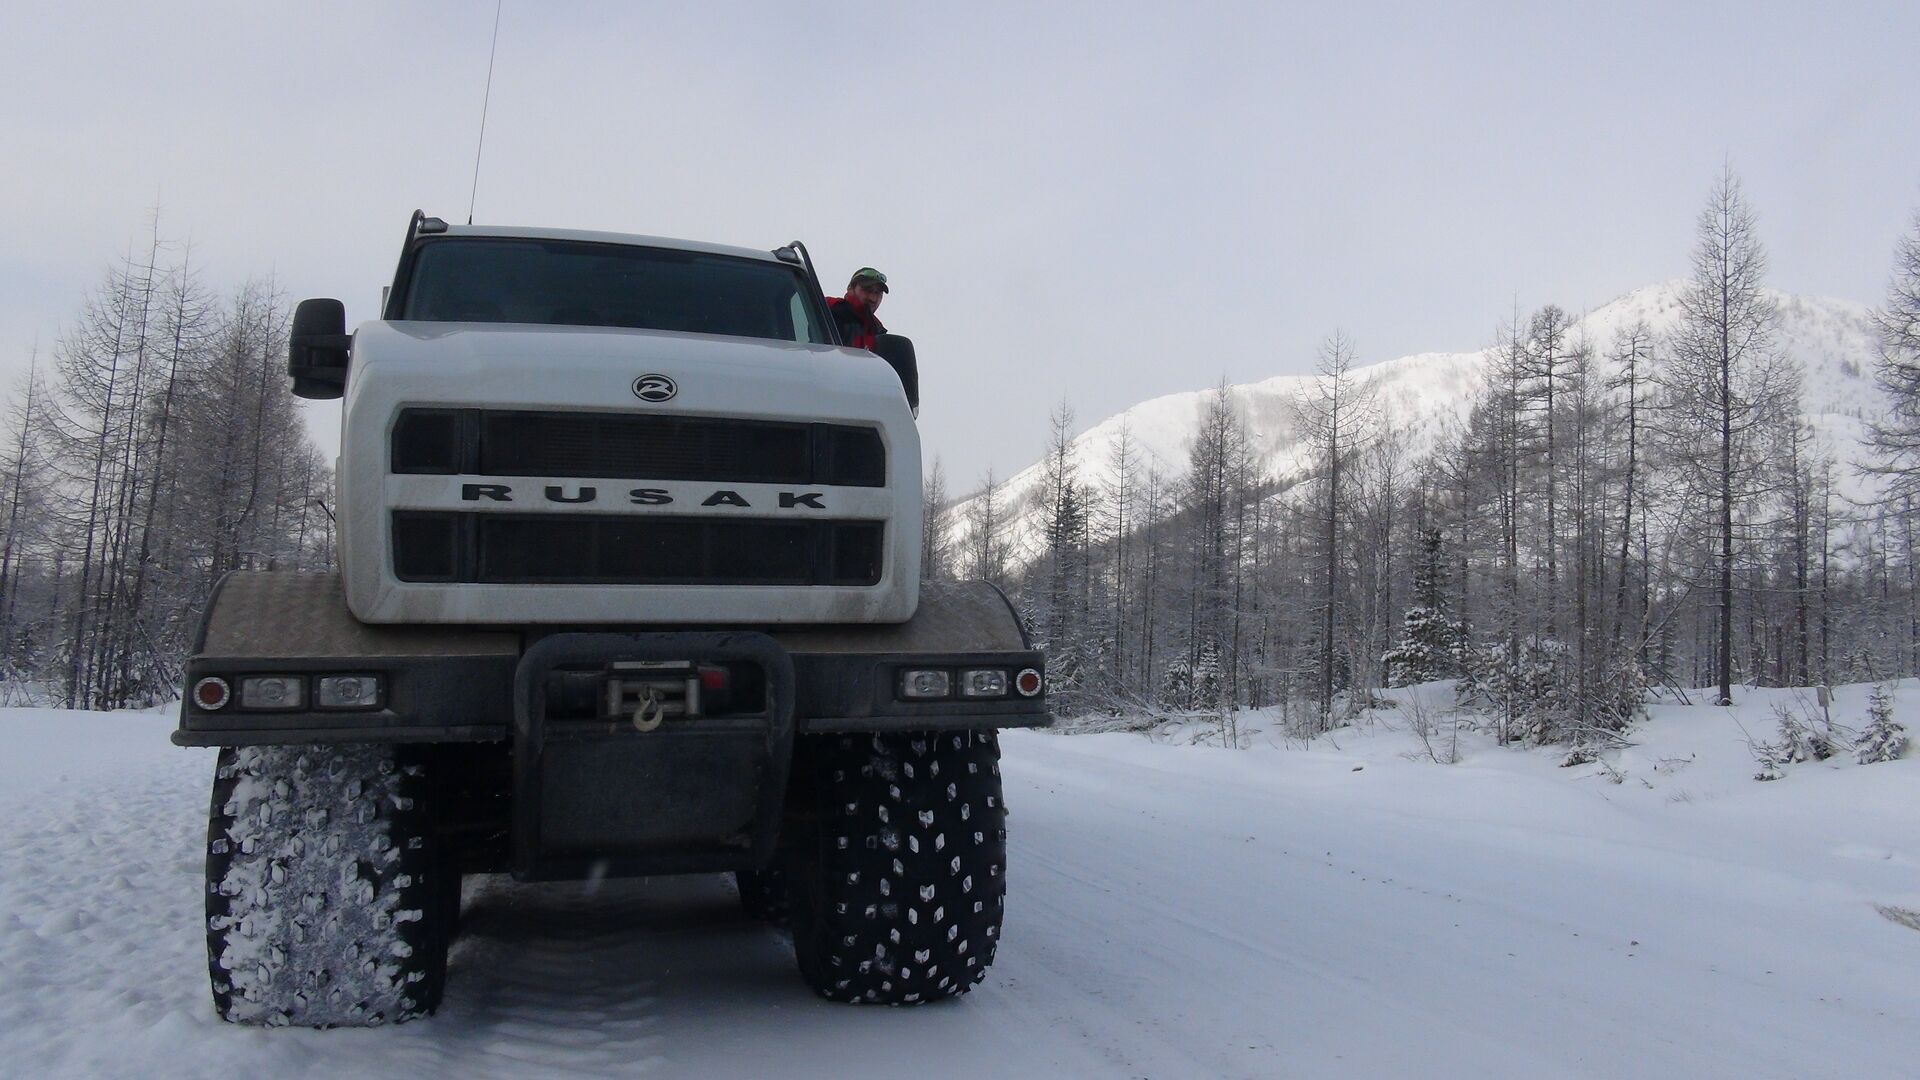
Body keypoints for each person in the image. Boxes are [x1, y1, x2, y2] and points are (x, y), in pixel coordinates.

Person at [826, 267, 888, 350]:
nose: (873, 298)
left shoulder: (878, 331)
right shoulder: (830, 309)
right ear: (850, 288)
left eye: (878, 293)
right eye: (867, 290)